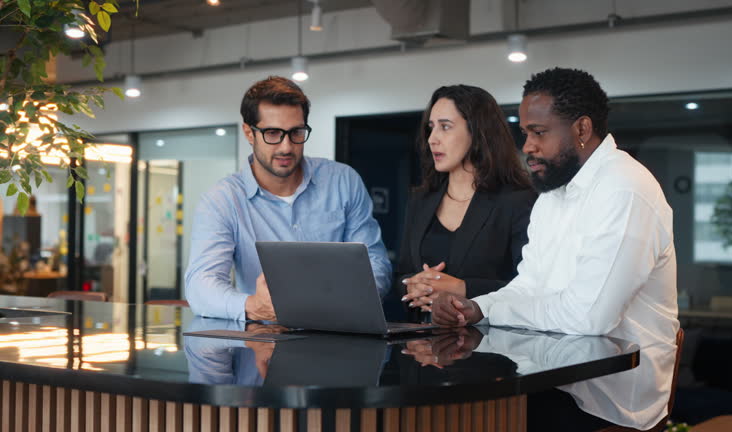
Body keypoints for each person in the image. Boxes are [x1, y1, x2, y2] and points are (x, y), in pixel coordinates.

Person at [432, 68, 679, 429]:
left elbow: (588, 318)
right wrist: (476, 308)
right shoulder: (553, 194)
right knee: (457, 410)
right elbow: (529, 284)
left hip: (612, 400)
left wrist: (501, 310)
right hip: (558, 380)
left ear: (581, 129)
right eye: (525, 133)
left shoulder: (624, 190)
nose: (528, 146)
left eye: (539, 133)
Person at [185, 76, 391, 321]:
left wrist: (339, 301)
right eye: (272, 133)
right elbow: (200, 286)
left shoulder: (342, 181)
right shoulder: (223, 200)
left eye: (296, 132)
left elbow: (376, 264)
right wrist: (252, 305)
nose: (286, 147)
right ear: (249, 133)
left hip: (342, 336)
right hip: (264, 344)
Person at [397, 85, 536, 321]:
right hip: (420, 346)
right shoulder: (421, 199)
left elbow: (530, 287)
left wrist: (463, 289)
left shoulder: (519, 200)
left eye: (445, 127)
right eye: (431, 128)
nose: (432, 139)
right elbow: (402, 274)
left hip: (488, 346)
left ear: (478, 131)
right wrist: (412, 286)